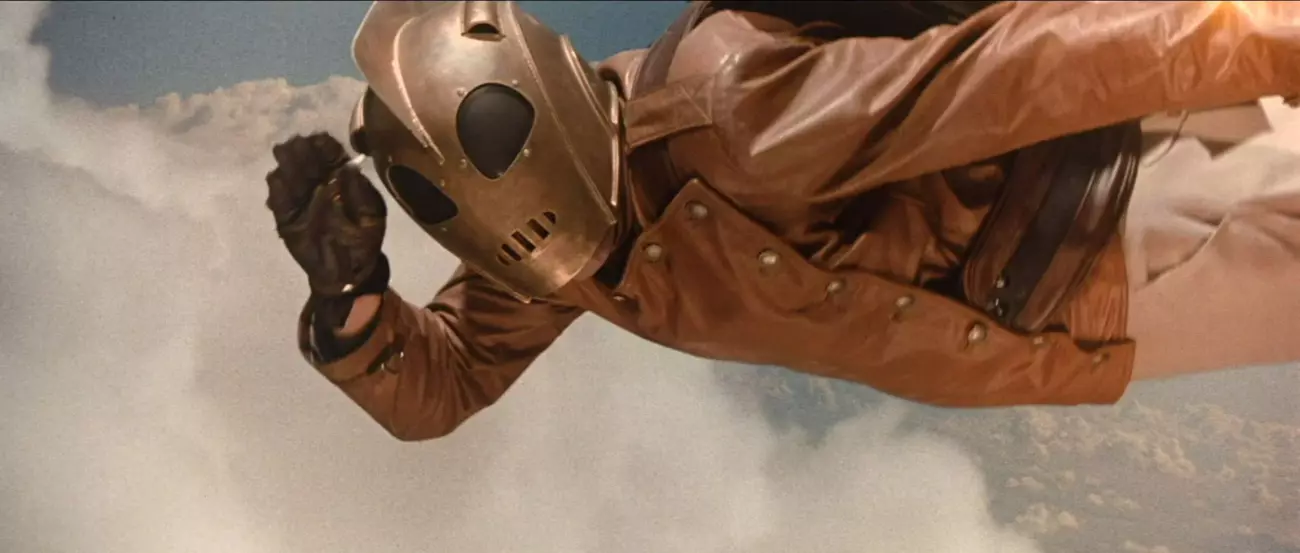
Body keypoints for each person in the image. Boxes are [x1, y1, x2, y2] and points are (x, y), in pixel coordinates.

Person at [264, 0, 1300, 441]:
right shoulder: (568, 235)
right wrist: (349, 295)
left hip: (1111, 247)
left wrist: (1268, 37)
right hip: (1056, 293)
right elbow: (443, 383)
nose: (502, 221)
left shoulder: (740, 123)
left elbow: (1019, 70)